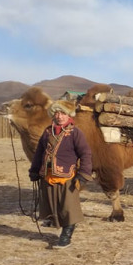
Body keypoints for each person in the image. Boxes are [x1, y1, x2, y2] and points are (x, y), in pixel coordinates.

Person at [29, 99, 92, 249]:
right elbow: (39, 153)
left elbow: (85, 154)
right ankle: (55, 224)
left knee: (68, 207)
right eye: (56, 113)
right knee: (52, 204)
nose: (59, 116)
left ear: (68, 115)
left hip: (68, 177)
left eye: (63, 113)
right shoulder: (47, 132)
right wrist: (34, 170)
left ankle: (66, 236)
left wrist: (83, 174)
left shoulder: (75, 133)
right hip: (48, 175)